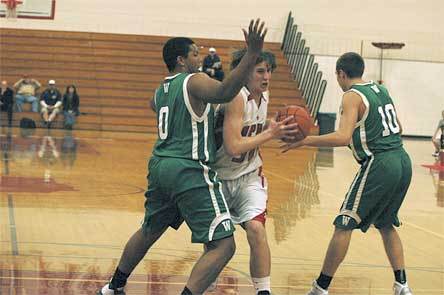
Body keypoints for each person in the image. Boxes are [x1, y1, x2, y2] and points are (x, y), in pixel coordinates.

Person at [97, 18, 268, 295]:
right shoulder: (194, 80)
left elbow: (156, 106)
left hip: (160, 165)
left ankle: (113, 286)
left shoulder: (161, 89)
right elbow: (225, 91)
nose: (199, 59)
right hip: (188, 168)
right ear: (180, 60)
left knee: (150, 229)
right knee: (224, 245)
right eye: (195, 54)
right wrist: (251, 54)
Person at [282, 52, 413, 295]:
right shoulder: (380, 89)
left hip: (380, 162)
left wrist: (305, 140)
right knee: (385, 223)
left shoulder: (351, 96)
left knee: (344, 223)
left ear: (341, 74)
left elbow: (342, 137)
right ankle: (402, 285)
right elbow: (399, 128)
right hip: (403, 160)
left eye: (338, 77)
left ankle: (320, 288)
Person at [211, 49, 298, 295]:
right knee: (218, 243)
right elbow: (233, 146)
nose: (267, 76)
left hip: (249, 175)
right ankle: (207, 281)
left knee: (256, 229)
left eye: (269, 71)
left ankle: (264, 291)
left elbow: (253, 131)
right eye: (260, 71)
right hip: (219, 178)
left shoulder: (264, 95)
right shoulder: (236, 97)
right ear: (244, 72)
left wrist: (271, 126)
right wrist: (270, 133)